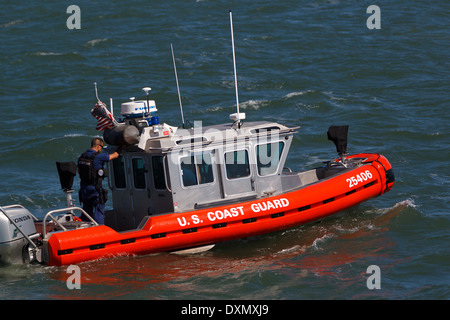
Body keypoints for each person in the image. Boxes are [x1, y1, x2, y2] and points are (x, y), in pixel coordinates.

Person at [77, 138, 121, 224]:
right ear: (97, 146)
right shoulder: (99, 156)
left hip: (84, 189)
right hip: (95, 189)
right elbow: (115, 155)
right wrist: (121, 147)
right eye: (101, 147)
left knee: (86, 212)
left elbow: (79, 171)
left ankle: (84, 231)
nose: (101, 149)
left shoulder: (82, 157)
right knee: (99, 211)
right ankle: (100, 230)